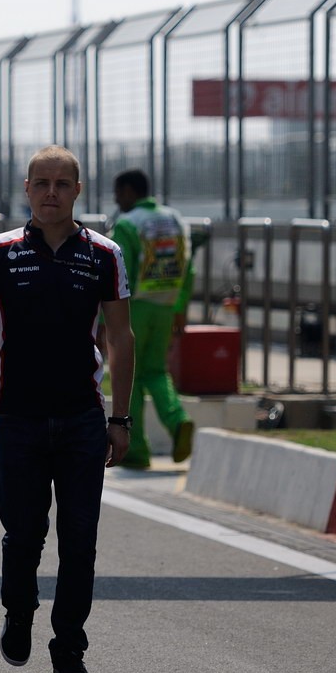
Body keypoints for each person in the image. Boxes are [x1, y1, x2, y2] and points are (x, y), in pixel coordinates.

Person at [0, 145, 133, 673]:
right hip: (19, 420)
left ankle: (69, 649)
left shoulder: (105, 253)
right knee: (23, 534)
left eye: (62, 184)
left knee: (80, 539)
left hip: (82, 419)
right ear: (26, 189)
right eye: (41, 183)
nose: (51, 192)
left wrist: (119, 418)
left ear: (79, 191)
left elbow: (121, 338)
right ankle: (19, 612)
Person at [109, 168, 194, 468]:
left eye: (118, 193)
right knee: (156, 372)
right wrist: (180, 307)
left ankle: (136, 451)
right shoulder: (175, 219)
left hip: (135, 308)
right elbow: (189, 269)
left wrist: (106, 320)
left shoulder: (127, 224)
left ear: (130, 191)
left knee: (126, 375)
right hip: (167, 305)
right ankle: (177, 420)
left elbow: (119, 274)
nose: (116, 199)